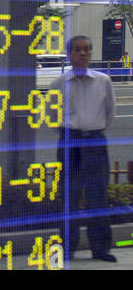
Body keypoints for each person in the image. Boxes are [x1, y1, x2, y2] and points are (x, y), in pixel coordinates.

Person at [50, 36, 116, 262]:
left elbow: (110, 115)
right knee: (69, 197)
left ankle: (100, 249)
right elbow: (52, 118)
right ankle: (67, 249)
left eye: (87, 50)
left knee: (98, 197)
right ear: (69, 54)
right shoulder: (58, 84)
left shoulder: (103, 81)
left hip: (95, 142)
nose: (83, 54)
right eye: (77, 50)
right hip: (70, 142)